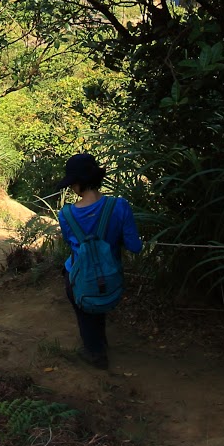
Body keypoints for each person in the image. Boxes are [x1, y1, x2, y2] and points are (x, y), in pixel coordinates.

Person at [56, 152, 141, 370]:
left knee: (85, 314)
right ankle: (100, 343)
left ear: (76, 183)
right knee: (99, 305)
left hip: (78, 277)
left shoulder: (66, 214)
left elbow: (71, 242)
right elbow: (135, 247)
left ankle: (95, 355)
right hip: (110, 277)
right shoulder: (119, 206)